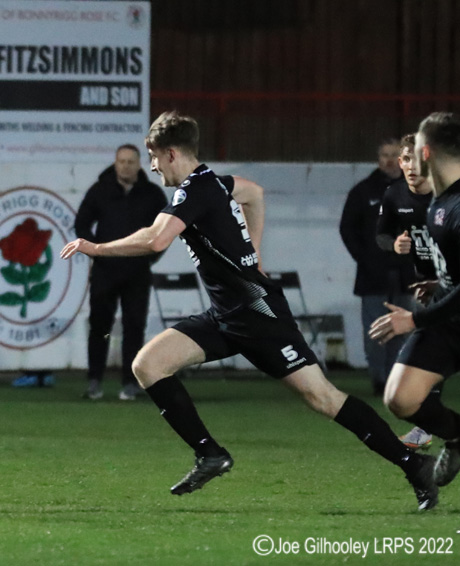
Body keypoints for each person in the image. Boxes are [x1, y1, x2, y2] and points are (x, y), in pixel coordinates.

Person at [61, 111, 439, 511]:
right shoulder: (213, 183)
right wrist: (254, 253)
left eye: (153, 156)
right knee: (148, 365)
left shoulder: (194, 190)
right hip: (226, 315)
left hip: (260, 317)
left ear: (171, 153)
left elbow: (156, 240)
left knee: (324, 399)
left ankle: (414, 465)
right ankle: (209, 453)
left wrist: (97, 248)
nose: (151, 165)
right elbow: (254, 192)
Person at [369, 111, 460, 496]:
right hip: (450, 312)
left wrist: (416, 319)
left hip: (441, 313)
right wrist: (441, 280)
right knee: (400, 398)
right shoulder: (440, 199)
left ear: (425, 151)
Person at [74, 144, 168, 401]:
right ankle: (94, 382)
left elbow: (165, 231)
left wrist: (149, 258)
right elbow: (81, 223)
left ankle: (130, 383)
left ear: (139, 164)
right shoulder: (99, 191)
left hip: (137, 271)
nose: (126, 166)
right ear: (115, 164)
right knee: (100, 326)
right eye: (121, 161)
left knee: (134, 327)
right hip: (105, 271)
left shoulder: (152, 194)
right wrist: (95, 251)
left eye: (130, 162)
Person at [375, 134, 438, 450]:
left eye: (417, 159)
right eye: (406, 160)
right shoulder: (394, 194)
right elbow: (382, 236)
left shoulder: (448, 196)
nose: (411, 167)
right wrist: (395, 245)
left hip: (450, 286)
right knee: (428, 356)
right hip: (428, 289)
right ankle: (425, 427)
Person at [340, 139, 415, 395]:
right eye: (385, 155)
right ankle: (379, 381)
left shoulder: (416, 190)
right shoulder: (363, 191)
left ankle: (399, 381)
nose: (390, 159)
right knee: (377, 331)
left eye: (395, 155)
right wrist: (365, 258)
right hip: (373, 276)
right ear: (378, 158)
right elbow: (347, 229)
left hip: (408, 275)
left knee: (404, 330)